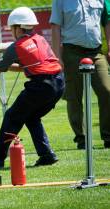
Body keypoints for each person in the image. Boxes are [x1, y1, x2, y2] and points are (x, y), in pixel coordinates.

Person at [0, 7, 64, 168]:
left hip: (40, 85)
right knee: (31, 117)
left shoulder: (17, 46)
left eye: (11, 28)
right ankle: (47, 155)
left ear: (18, 27)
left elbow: (0, 69)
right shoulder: (40, 39)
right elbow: (25, 67)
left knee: (12, 117)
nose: (11, 31)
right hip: (59, 83)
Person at [50, 0, 110, 149]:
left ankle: (108, 136)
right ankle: (82, 139)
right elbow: (55, 27)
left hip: (96, 52)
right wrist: (57, 57)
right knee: (74, 97)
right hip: (72, 52)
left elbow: (107, 22)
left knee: (107, 91)